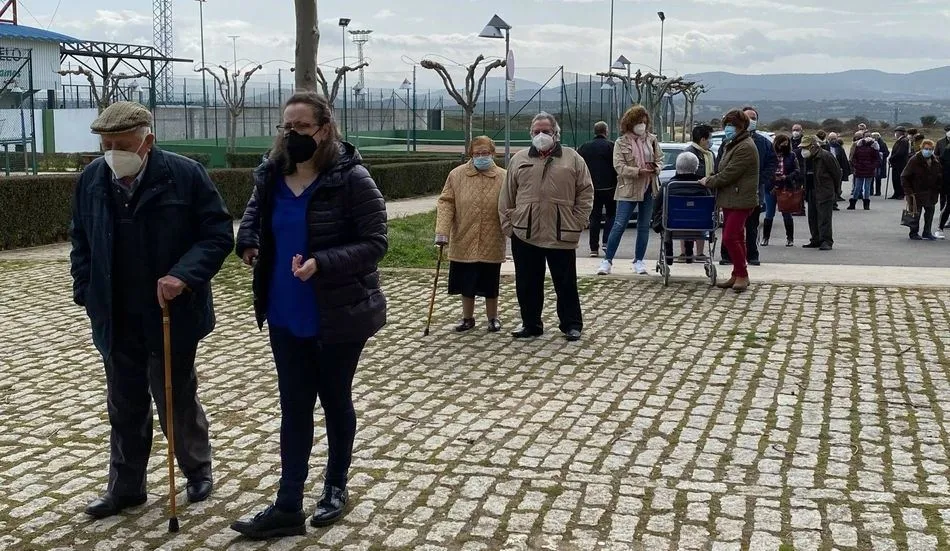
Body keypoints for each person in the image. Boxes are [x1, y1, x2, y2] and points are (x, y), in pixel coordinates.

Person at [231, 91, 388, 538]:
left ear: (325, 129)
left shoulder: (351, 178)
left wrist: (324, 261)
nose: (292, 134)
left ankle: (335, 487)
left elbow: (376, 242)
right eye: (287, 126)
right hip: (284, 308)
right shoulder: (270, 173)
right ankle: (287, 505)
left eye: (301, 126)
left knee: (335, 399)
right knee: (294, 406)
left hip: (338, 311)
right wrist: (248, 243)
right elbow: (253, 215)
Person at [69, 102, 234, 519]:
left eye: (121, 145)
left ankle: (197, 470)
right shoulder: (91, 179)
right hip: (115, 313)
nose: (112, 153)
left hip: (169, 311)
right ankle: (126, 487)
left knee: (175, 396)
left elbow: (217, 234)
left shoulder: (184, 175)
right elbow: (81, 241)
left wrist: (184, 274)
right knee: (123, 404)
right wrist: (85, 290)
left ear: (148, 142)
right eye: (105, 144)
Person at [499, 112, 593, 342]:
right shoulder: (519, 159)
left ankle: (571, 324)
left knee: (566, 282)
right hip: (525, 231)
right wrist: (509, 226)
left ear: (555, 134)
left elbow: (586, 192)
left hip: (561, 232)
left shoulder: (573, 159)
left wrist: (577, 221)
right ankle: (531, 324)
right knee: (527, 282)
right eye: (537, 131)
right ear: (531, 134)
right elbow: (506, 196)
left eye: (546, 131)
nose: (541, 135)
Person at [434, 136, 507, 333]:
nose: (481, 156)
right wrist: (442, 231)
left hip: (492, 236)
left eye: (485, 153)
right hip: (464, 234)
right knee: (467, 279)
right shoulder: (456, 175)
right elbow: (446, 202)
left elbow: (511, 204)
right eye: (477, 153)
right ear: (470, 154)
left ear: (493, 153)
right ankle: (468, 318)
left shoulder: (503, 176)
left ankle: (493, 317)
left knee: (490, 280)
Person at [597, 104, 663, 276]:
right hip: (628, 189)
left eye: (644, 122)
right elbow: (619, 166)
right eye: (638, 122)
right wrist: (637, 171)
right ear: (630, 123)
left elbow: (660, 159)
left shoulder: (652, 139)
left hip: (649, 187)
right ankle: (607, 260)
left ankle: (639, 261)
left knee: (643, 226)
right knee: (619, 224)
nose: (642, 125)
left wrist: (656, 168)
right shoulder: (621, 142)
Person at [700, 109, 759, 293]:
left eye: (732, 125)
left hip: (741, 198)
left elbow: (730, 173)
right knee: (737, 237)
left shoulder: (745, 147)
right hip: (730, 198)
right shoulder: (732, 144)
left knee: (730, 237)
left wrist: (709, 181)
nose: (728, 128)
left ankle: (742, 273)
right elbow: (723, 168)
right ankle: (737, 273)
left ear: (741, 127)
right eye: (726, 125)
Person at [719, 106, 775, 267]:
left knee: (751, 226)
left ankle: (751, 256)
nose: (751, 121)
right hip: (730, 191)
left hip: (753, 190)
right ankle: (728, 257)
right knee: (730, 229)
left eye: (754, 118)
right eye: (748, 117)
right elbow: (721, 165)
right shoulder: (727, 142)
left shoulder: (762, 142)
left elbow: (771, 164)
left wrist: (760, 179)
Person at [652, 152, 709, 264]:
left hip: (672, 226)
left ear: (677, 167)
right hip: (699, 226)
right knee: (690, 217)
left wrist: (655, 219)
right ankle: (689, 252)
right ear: (696, 168)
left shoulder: (668, 186)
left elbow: (656, 206)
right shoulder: (702, 187)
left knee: (667, 218)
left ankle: (669, 254)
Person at [577, 121, 616, 257]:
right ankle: (607, 242)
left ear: (594, 132)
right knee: (611, 215)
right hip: (610, 188)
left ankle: (594, 248)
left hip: (592, 188)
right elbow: (617, 166)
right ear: (606, 131)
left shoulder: (584, 147)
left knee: (594, 217)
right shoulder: (611, 146)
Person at [681, 124, 716, 261]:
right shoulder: (688, 153)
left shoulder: (710, 154)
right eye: (709, 138)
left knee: (702, 222)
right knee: (686, 222)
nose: (710, 141)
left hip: (705, 194)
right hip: (690, 193)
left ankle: (700, 252)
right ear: (702, 139)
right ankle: (685, 252)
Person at [800, 135, 841, 250]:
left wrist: (836, 190)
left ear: (813, 146)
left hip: (824, 191)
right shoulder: (807, 158)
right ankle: (815, 239)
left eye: (806, 147)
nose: (804, 150)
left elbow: (836, 173)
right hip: (811, 190)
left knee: (824, 217)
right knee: (812, 217)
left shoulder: (826, 156)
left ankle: (826, 241)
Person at [763, 133, 800, 247]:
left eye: (786, 143)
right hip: (771, 187)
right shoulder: (770, 155)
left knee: (786, 213)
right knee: (769, 213)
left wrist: (787, 177)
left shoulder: (791, 155)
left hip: (785, 186)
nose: (784, 145)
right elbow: (765, 169)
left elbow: (797, 170)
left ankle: (790, 238)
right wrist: (771, 178)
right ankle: (765, 238)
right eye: (781, 143)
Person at [902, 139, 943, 241]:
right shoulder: (914, 160)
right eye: (926, 149)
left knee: (930, 212)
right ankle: (914, 232)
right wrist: (908, 191)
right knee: (916, 213)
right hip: (916, 192)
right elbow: (904, 176)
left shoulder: (935, 161)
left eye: (930, 149)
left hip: (931, 192)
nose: (928, 151)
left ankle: (927, 232)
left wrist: (939, 187)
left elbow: (939, 175)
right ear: (921, 148)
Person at [848, 132, 880, 210]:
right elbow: (877, 160)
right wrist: (872, 166)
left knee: (857, 187)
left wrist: (856, 165)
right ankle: (866, 204)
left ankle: (853, 203)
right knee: (867, 187)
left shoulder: (858, 147)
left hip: (860, 169)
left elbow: (854, 158)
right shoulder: (874, 148)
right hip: (869, 170)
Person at [827, 132, 851, 208]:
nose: (833, 140)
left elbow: (843, 159)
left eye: (834, 138)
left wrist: (846, 169)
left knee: (837, 185)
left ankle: (836, 198)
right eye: (831, 139)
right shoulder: (826, 147)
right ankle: (832, 201)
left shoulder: (839, 148)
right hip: (828, 170)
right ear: (828, 139)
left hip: (838, 169)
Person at [889, 126, 910, 200]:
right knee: (895, 179)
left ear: (900, 132)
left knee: (899, 179)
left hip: (900, 164)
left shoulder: (904, 141)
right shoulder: (899, 140)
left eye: (896, 132)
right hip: (896, 164)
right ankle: (896, 193)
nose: (895, 134)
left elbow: (900, 153)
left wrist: (892, 158)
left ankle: (901, 194)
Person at [936, 124, 950, 214]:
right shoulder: (940, 142)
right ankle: (942, 212)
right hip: (943, 173)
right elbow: (936, 155)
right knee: (943, 196)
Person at [872, 131, 889, 197]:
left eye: (874, 137)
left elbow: (886, 153)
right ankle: (871, 191)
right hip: (873, 162)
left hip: (879, 163)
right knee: (872, 177)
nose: (873, 138)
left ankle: (878, 191)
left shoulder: (882, 144)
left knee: (878, 177)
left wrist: (880, 154)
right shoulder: (872, 143)